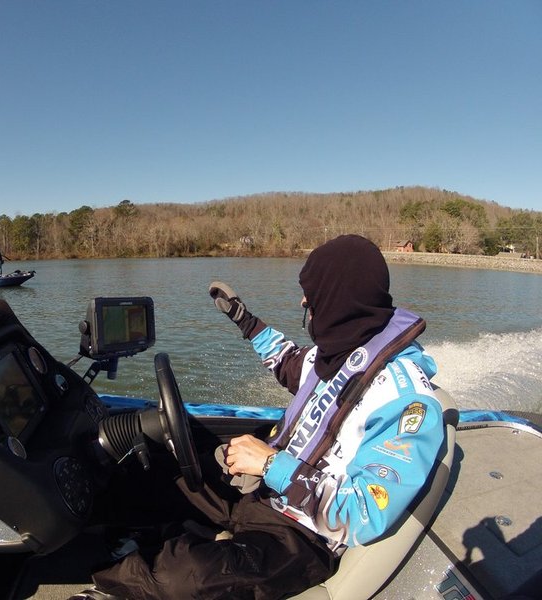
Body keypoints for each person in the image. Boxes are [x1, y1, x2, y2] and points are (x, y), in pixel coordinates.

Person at [81, 235, 445, 600]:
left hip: (303, 534)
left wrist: (271, 464)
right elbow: (287, 362)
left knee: (186, 577)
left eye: (311, 294)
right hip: (262, 492)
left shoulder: (405, 401)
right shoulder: (339, 354)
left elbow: (363, 512)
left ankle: (112, 585)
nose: (304, 302)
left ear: (339, 298)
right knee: (154, 474)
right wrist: (244, 320)